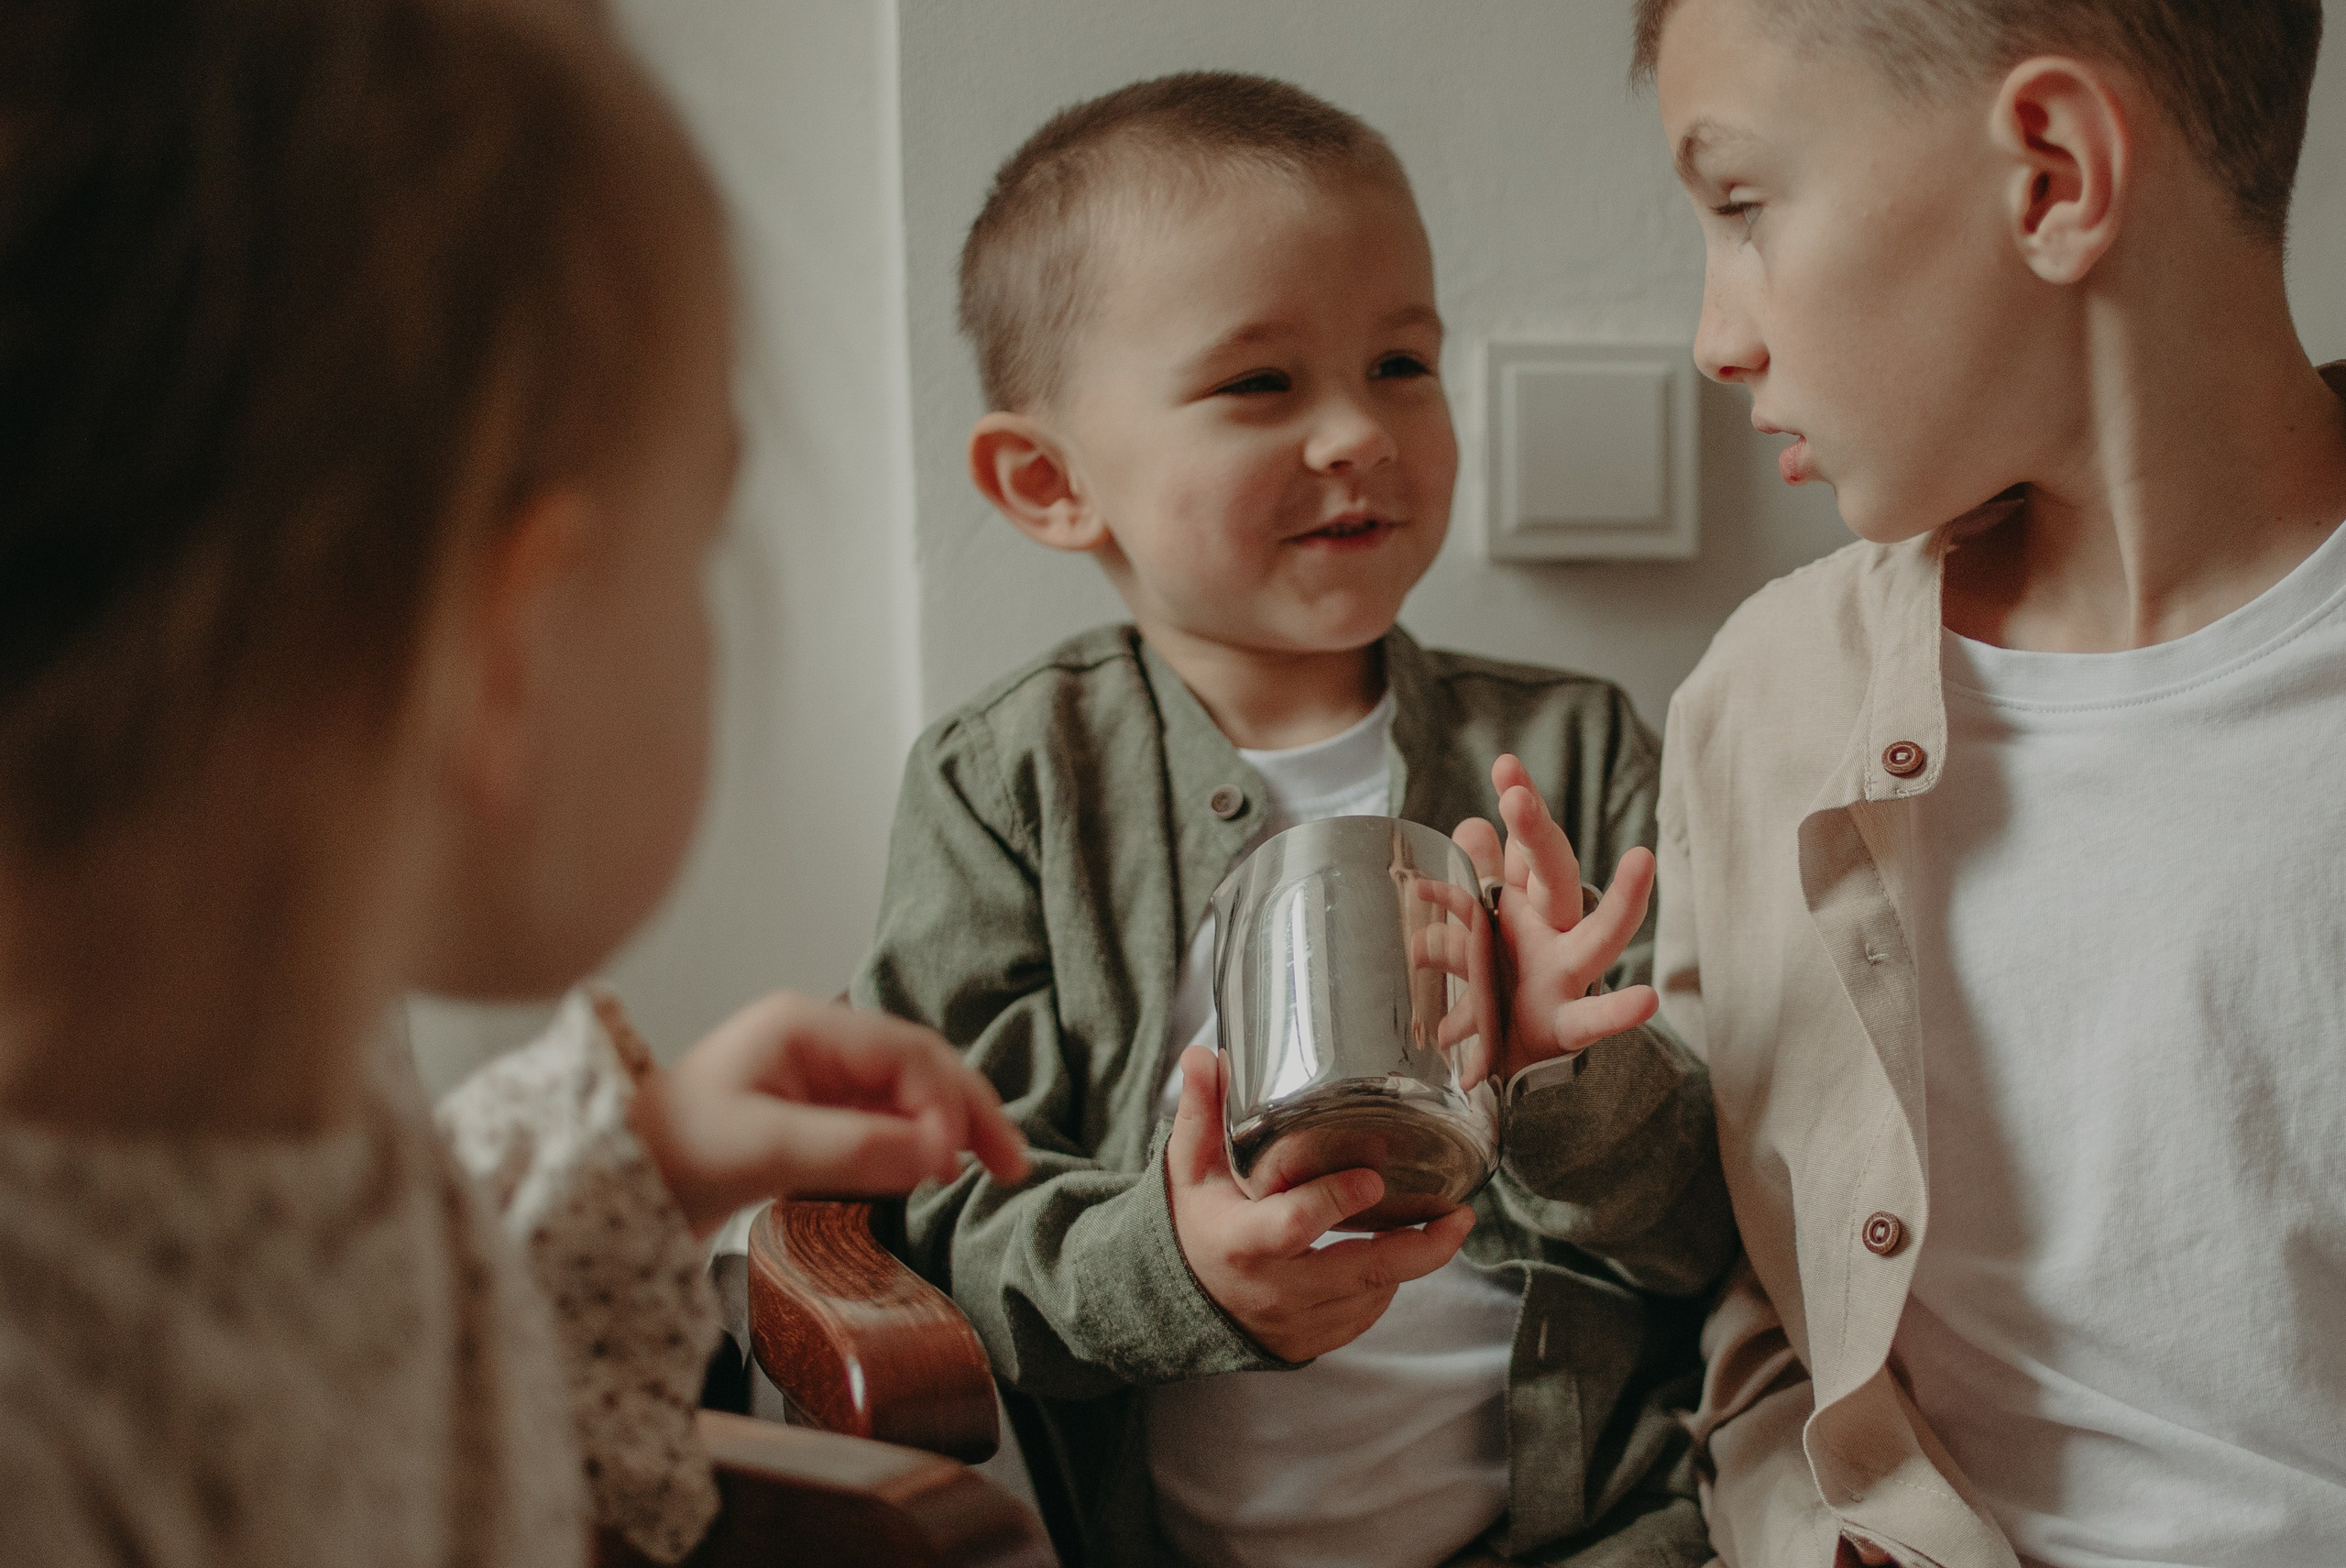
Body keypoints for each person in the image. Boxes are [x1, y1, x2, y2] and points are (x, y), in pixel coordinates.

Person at [0, 4, 1027, 1565]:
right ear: (508, 648)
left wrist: (650, 1161)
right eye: (696, 551)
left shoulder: (273, 1132)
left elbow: (367, 1343)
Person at [1493, 1, 2346, 1563]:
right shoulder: (1759, 706)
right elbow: (1773, 1289)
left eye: (1742, 207)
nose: (1714, 337)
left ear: (2051, 177)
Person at [852, 71, 1738, 1568]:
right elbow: (942, 1221)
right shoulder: (1009, 784)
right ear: (1049, 480)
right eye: (1262, 385)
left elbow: (1710, 1222)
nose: (1357, 433)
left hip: (1598, 1533)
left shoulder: (1567, 754)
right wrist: (1179, 1269)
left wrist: (1563, 1078)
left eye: (1402, 363)